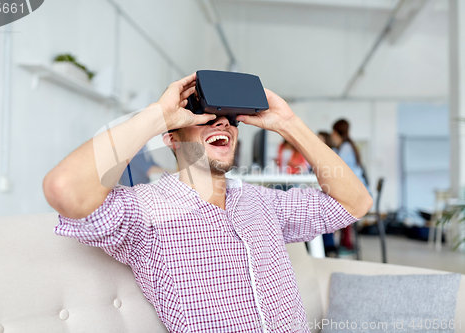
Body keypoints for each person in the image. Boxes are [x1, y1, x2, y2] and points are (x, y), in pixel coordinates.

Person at [43, 73, 372, 332]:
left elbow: (356, 202)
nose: (222, 122)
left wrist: (288, 124)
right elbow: (64, 189)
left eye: (231, 119)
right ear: (172, 136)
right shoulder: (144, 211)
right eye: (204, 116)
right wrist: (159, 115)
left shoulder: (264, 203)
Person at [331, 119, 370, 252]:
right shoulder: (347, 146)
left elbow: (338, 169)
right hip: (358, 191)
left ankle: (343, 243)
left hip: (357, 193)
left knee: (332, 203)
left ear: (335, 133)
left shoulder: (345, 148)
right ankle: (341, 242)